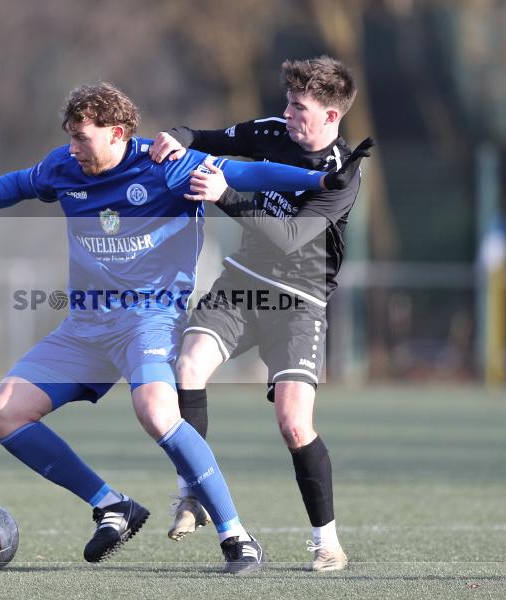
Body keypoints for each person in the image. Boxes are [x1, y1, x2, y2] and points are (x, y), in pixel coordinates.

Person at [0, 82, 365, 572]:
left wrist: (320, 183)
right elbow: (23, 182)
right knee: (2, 412)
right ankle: (112, 506)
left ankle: (236, 536)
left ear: (118, 133)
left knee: (155, 408)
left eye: (82, 137)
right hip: (86, 323)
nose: (73, 148)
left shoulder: (166, 164)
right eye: (69, 136)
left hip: (149, 320)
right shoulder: (64, 166)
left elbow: (249, 170)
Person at [149, 56, 373, 572]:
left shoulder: (340, 176)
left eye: (300, 107)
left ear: (332, 117)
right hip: (242, 283)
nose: (288, 114)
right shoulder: (270, 132)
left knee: (294, 425)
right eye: (289, 103)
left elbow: (291, 238)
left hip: (299, 302)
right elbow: (203, 136)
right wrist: (175, 137)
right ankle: (192, 494)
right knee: (187, 367)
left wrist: (226, 196)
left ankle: (326, 542)